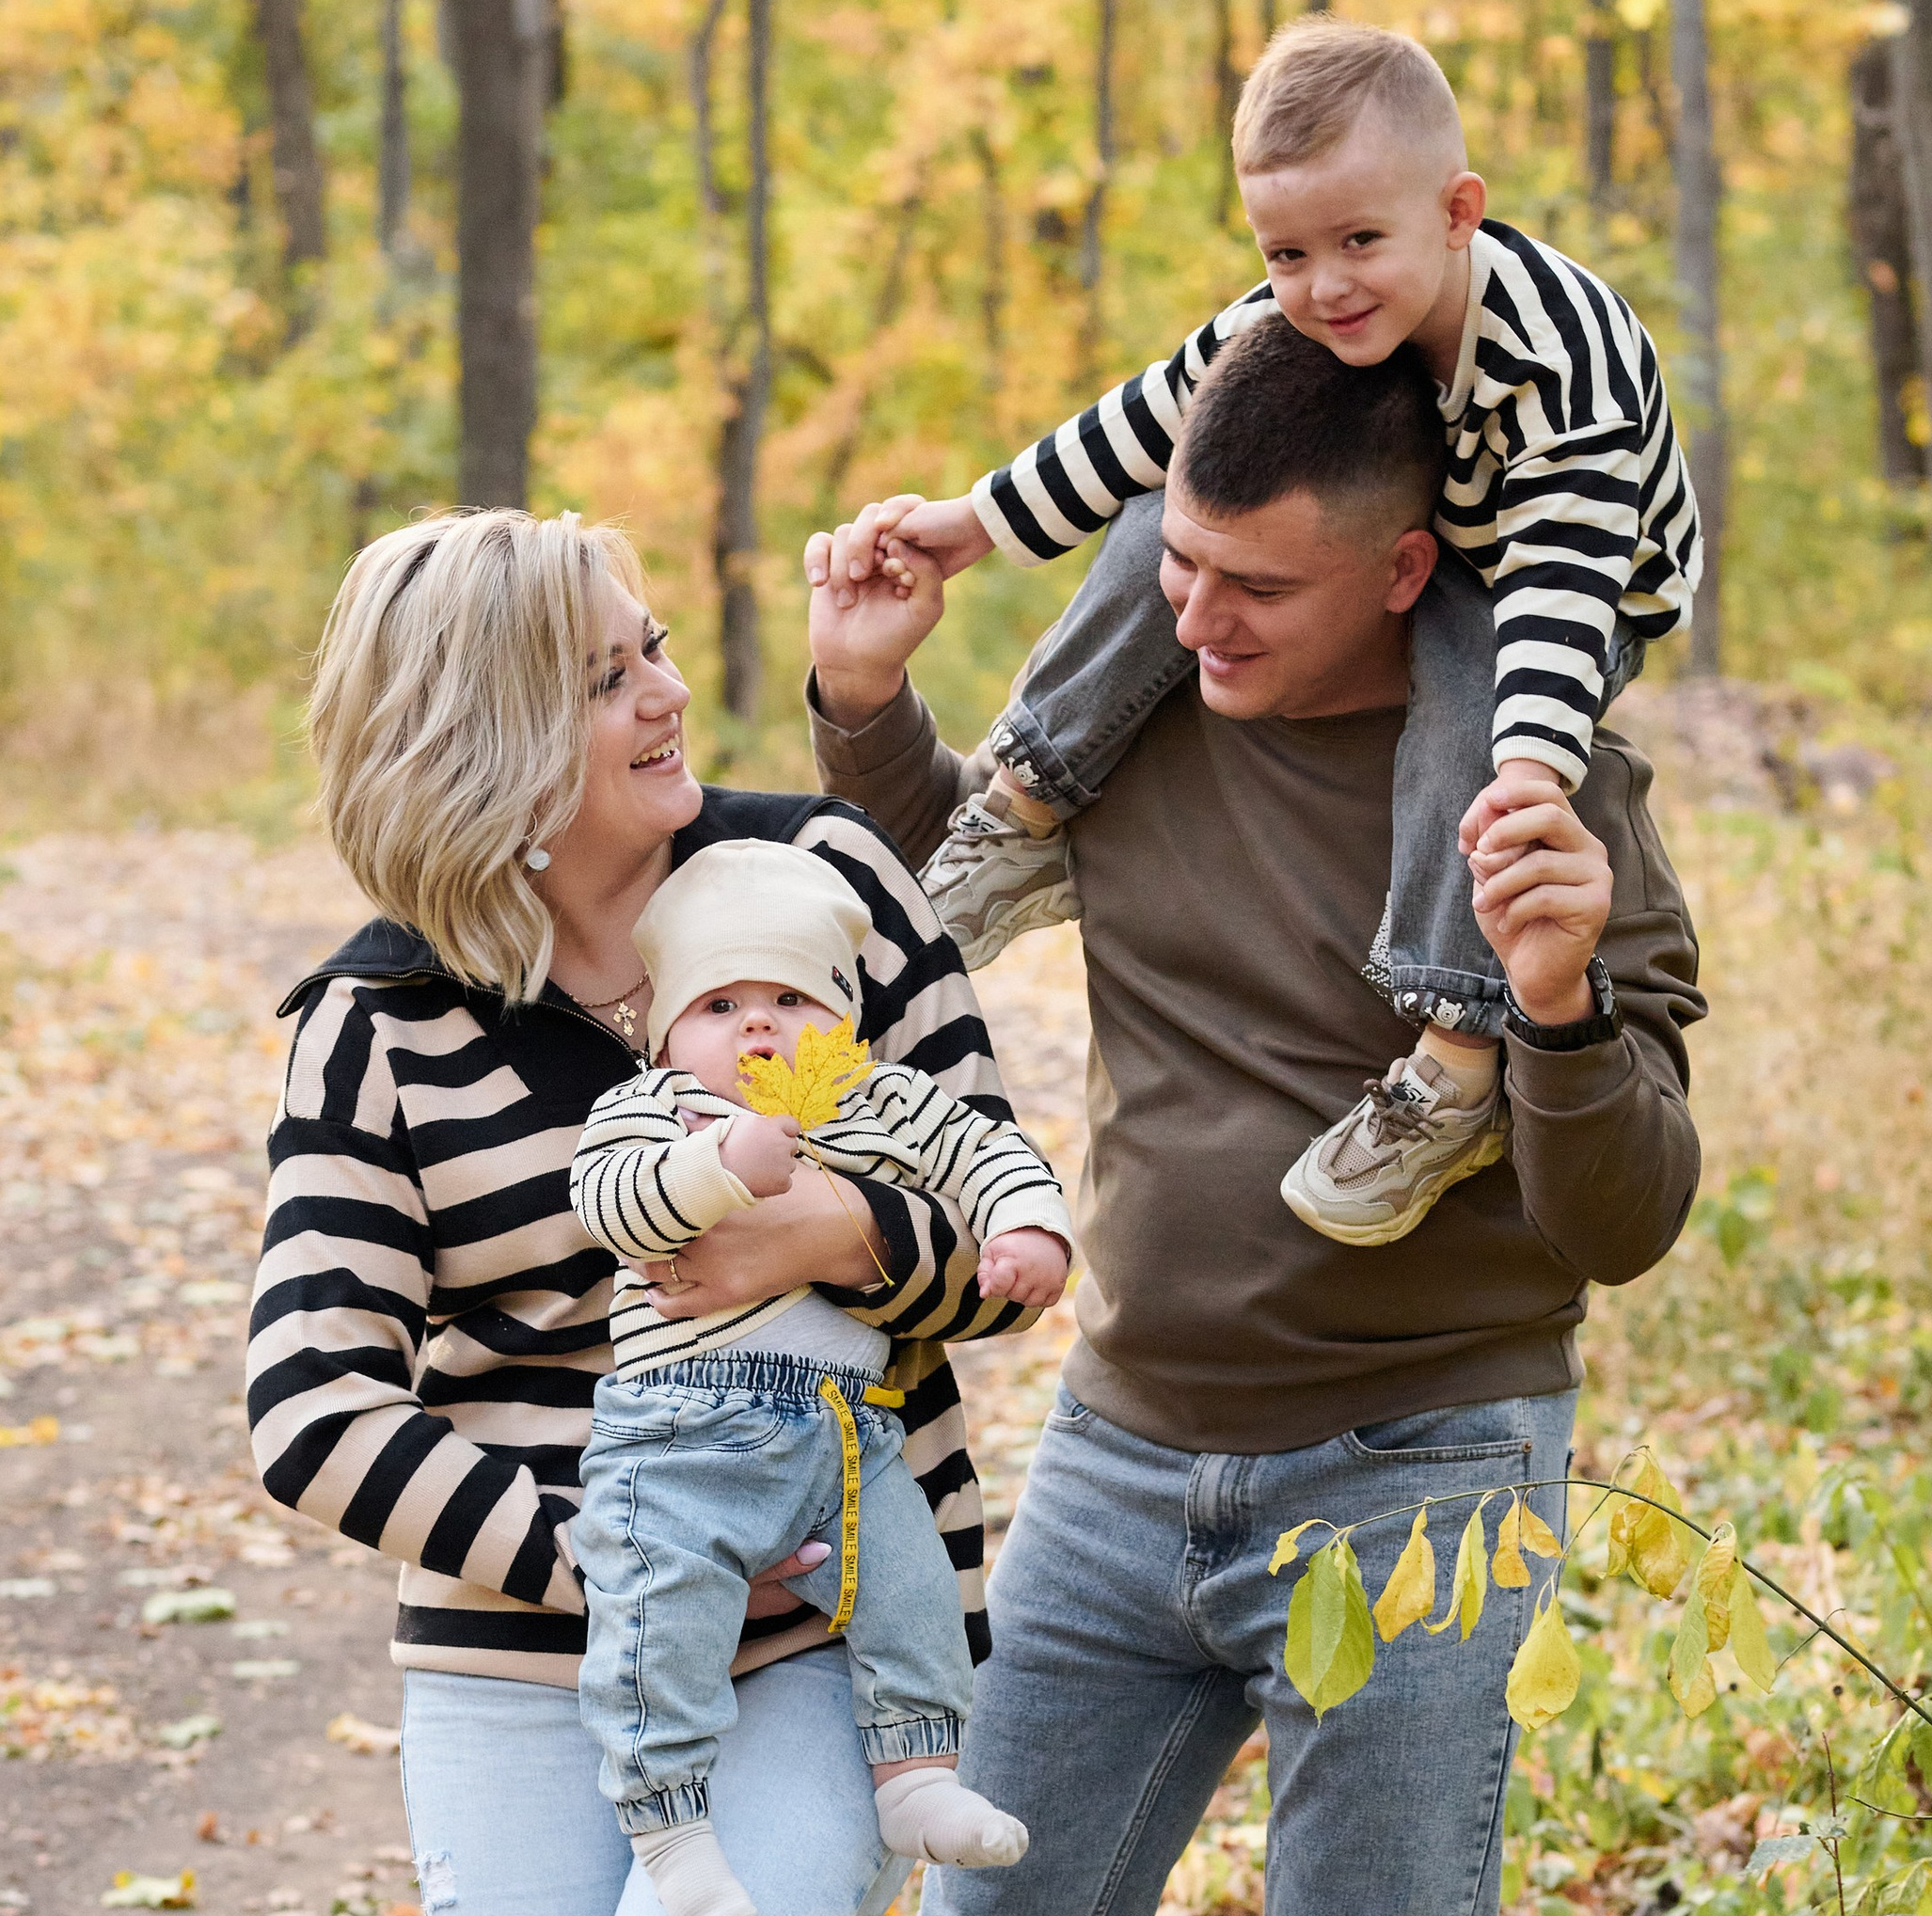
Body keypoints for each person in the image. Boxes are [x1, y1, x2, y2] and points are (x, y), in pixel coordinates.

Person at [804, 321, 1705, 1915]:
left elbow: (1620, 1223)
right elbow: (938, 891)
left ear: (1404, 569)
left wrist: (1555, 1006)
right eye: (1180, 565)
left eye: (1258, 590)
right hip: (1115, 1451)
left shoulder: (1549, 812)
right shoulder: (1143, 719)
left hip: (1419, 1476)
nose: (1199, 623)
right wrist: (863, 692)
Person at [247, 507, 1036, 1916]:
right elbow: (313, 1409)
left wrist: (836, 1235)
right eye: (608, 678)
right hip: (524, 1644)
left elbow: (999, 1233)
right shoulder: (376, 1021)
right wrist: (628, 1566)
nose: (670, 694)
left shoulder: (827, 883)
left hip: (831, 1630)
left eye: (652, 647)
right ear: (481, 741)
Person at [826, 17, 1702, 1249]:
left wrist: (1521, 775)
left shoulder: (1563, 373)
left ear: (1457, 213)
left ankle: (1452, 1057)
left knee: (1470, 692)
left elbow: (1558, 590)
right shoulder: (1293, 314)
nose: (1321, 284)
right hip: (1431, 534)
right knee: (1163, 518)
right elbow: (1138, 423)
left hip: (1572, 587)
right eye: (1285, 249)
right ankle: (1018, 809)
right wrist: (971, 525)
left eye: (1357, 241)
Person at [566, 838, 1071, 1916]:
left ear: (842, 1016)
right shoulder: (659, 1111)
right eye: (719, 1004)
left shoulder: (879, 1099)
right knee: (664, 1626)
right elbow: (608, 1205)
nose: (757, 1023)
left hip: (853, 1432)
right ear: (664, 1033)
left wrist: (1029, 1224)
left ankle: (915, 1774)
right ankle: (672, 1829)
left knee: (911, 1591)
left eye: (790, 995)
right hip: (680, 1434)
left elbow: (983, 1150)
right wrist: (717, 1167)